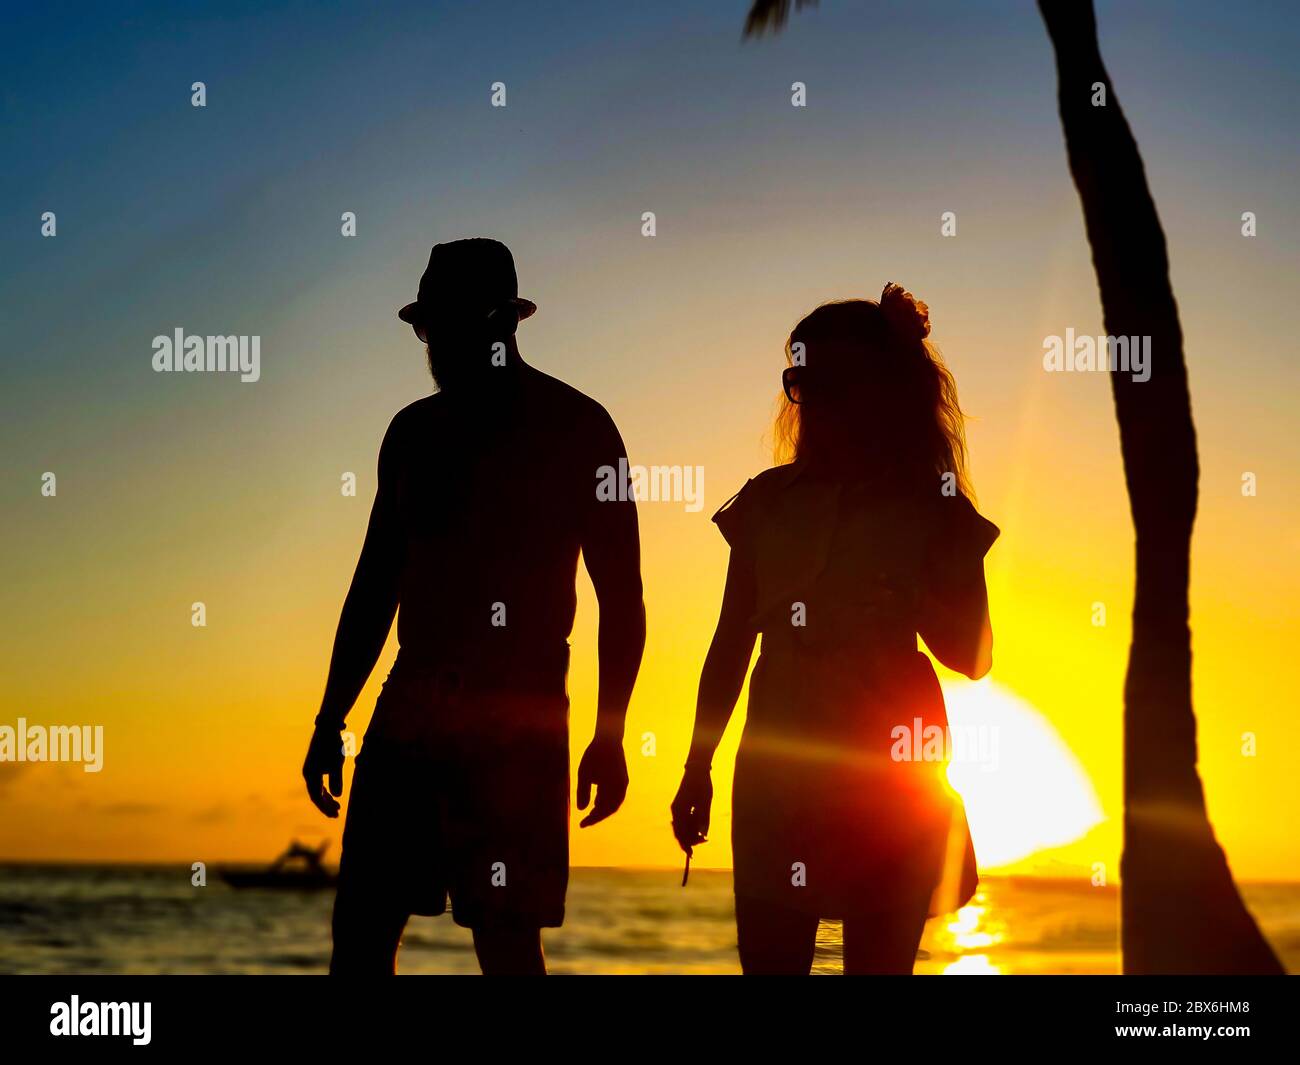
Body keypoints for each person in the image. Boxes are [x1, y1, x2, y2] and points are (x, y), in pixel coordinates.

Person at [303, 238, 645, 974]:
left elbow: (622, 595)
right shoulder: (412, 434)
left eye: (446, 325)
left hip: (518, 713)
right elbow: (373, 584)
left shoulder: (580, 428)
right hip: (410, 700)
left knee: (505, 932)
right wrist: (332, 716)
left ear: (500, 321)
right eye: (426, 328)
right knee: (361, 929)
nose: (432, 345)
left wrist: (610, 733)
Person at [671, 284, 996, 974]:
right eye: (800, 380)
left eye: (831, 381)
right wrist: (696, 765)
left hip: (895, 766)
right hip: (777, 762)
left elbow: (973, 655)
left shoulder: (933, 506)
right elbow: (731, 641)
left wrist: (909, 597)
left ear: (881, 389)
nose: (812, 398)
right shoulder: (766, 501)